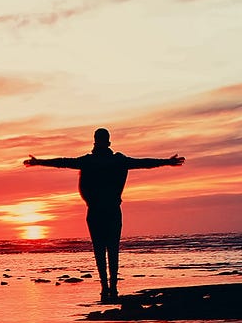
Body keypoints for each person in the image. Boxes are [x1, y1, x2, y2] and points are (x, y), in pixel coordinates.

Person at [24, 128, 184, 303]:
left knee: (101, 250)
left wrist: (39, 162)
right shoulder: (115, 161)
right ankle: (110, 285)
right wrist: (167, 162)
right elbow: (143, 163)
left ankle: (107, 286)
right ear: (108, 142)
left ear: (95, 141)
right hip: (110, 211)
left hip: (98, 211)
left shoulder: (92, 161)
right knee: (110, 249)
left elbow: (64, 162)